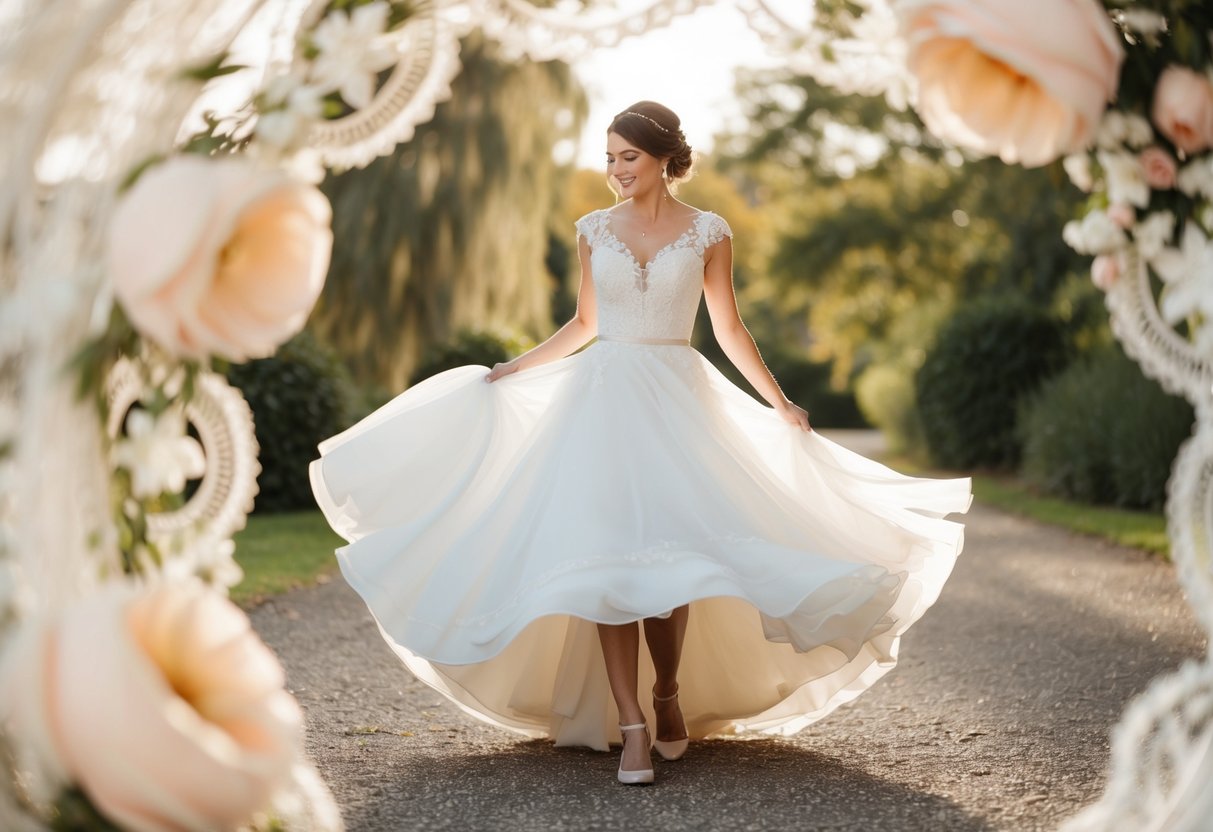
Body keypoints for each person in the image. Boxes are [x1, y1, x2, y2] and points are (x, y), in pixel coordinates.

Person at [310, 100, 972, 787]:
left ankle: (666, 693)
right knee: (604, 563)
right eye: (609, 157)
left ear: (663, 158)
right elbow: (585, 322)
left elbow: (728, 331)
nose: (615, 170)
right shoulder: (592, 230)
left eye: (628, 156)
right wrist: (511, 370)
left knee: (675, 563)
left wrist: (779, 401)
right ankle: (631, 725)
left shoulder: (709, 231)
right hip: (600, 403)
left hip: (678, 400)